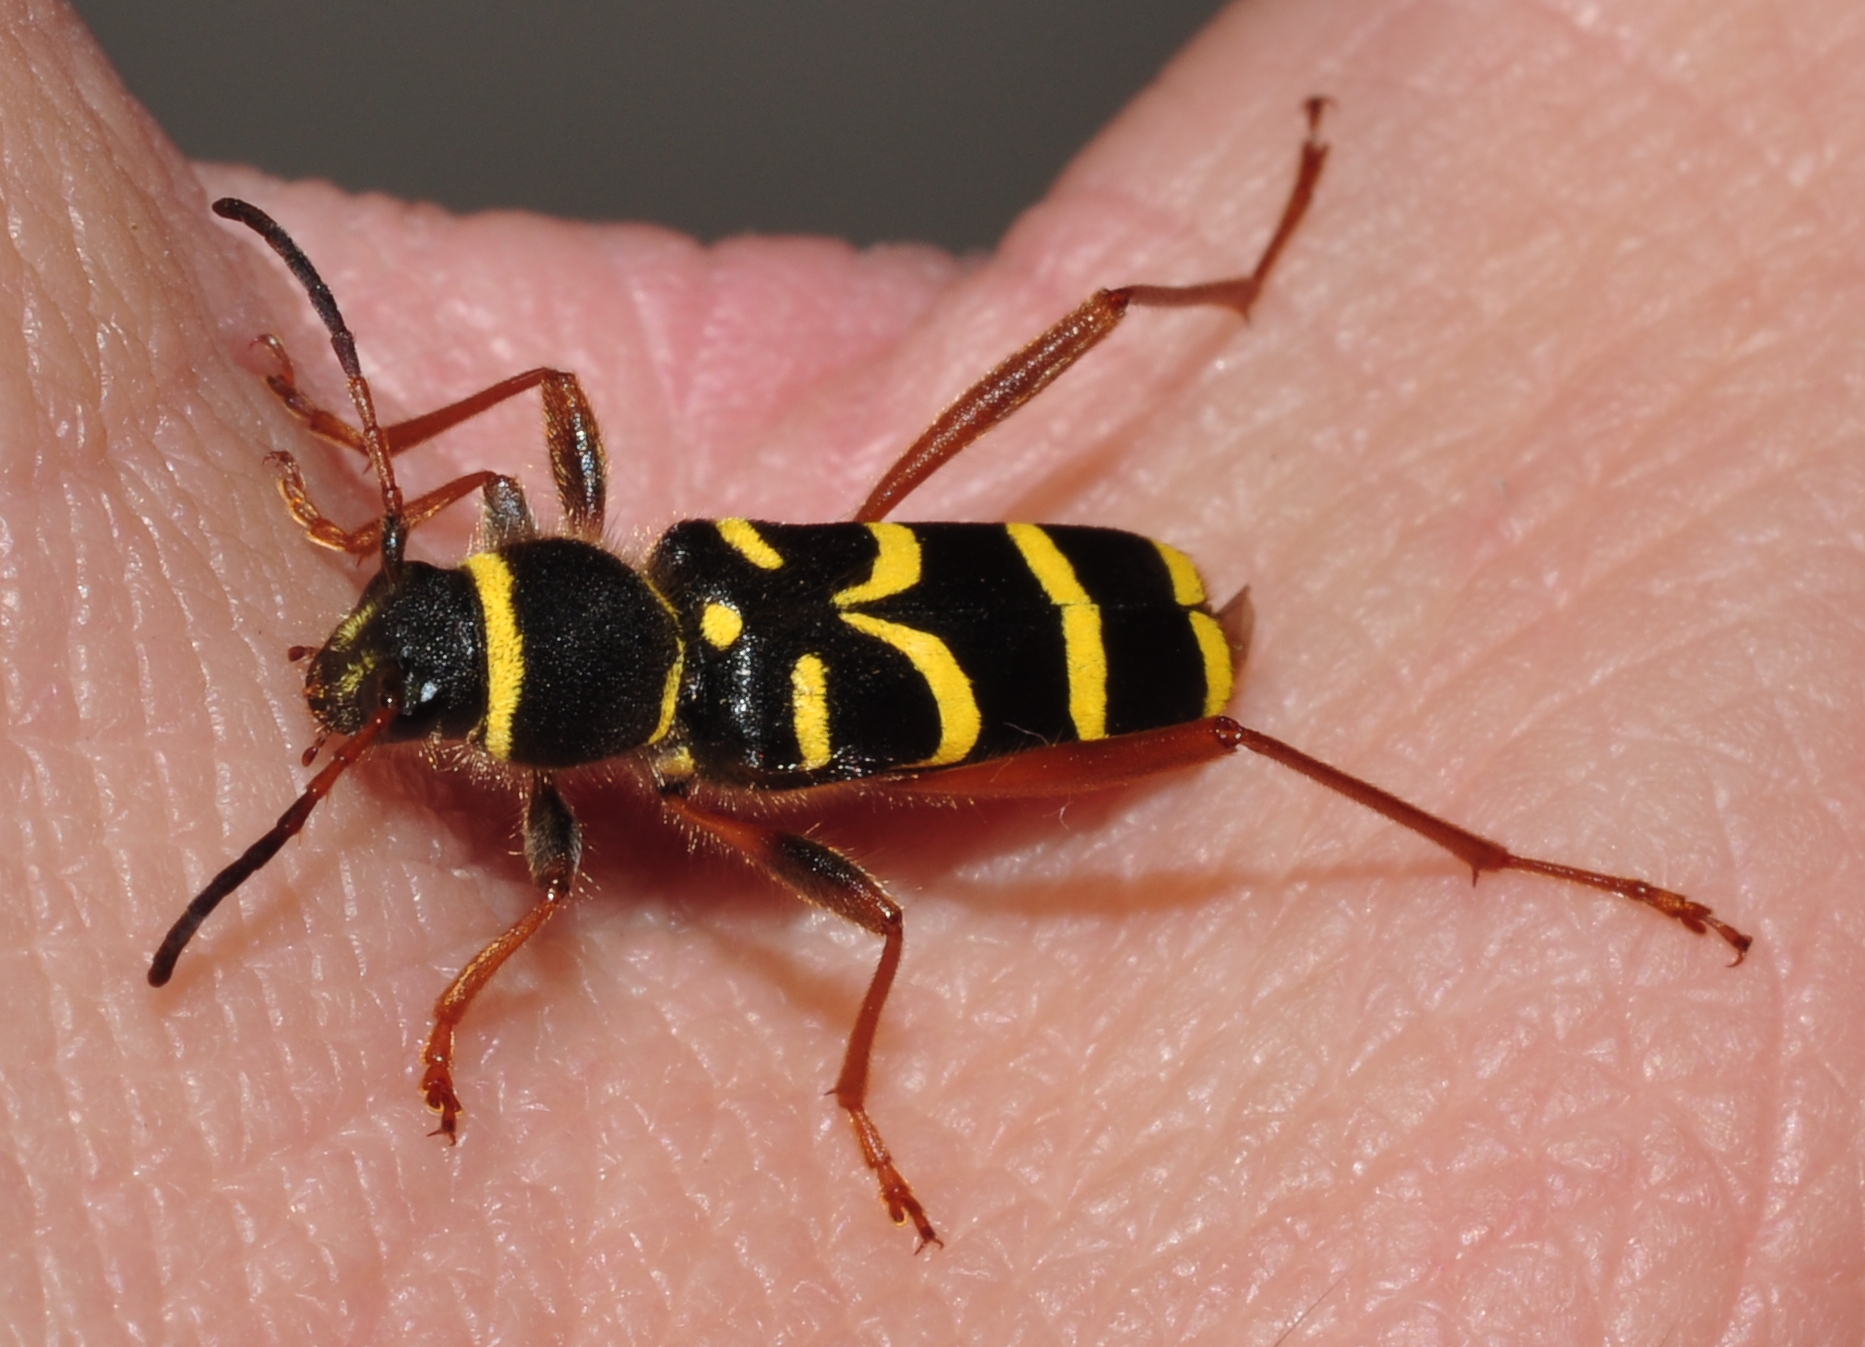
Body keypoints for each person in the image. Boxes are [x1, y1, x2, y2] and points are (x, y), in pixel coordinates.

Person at [3, 0, 1851, 1340]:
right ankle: (1253, 314)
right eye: (414, 660)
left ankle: (1503, 855)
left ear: (518, 726)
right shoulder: (649, 584)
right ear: (499, 671)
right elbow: (509, 470)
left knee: (1186, 721)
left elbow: (737, 878)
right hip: (927, 625)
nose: (376, 677)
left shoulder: (695, 768)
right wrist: (359, 493)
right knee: (1071, 423)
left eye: (407, 658)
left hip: (1101, 639)